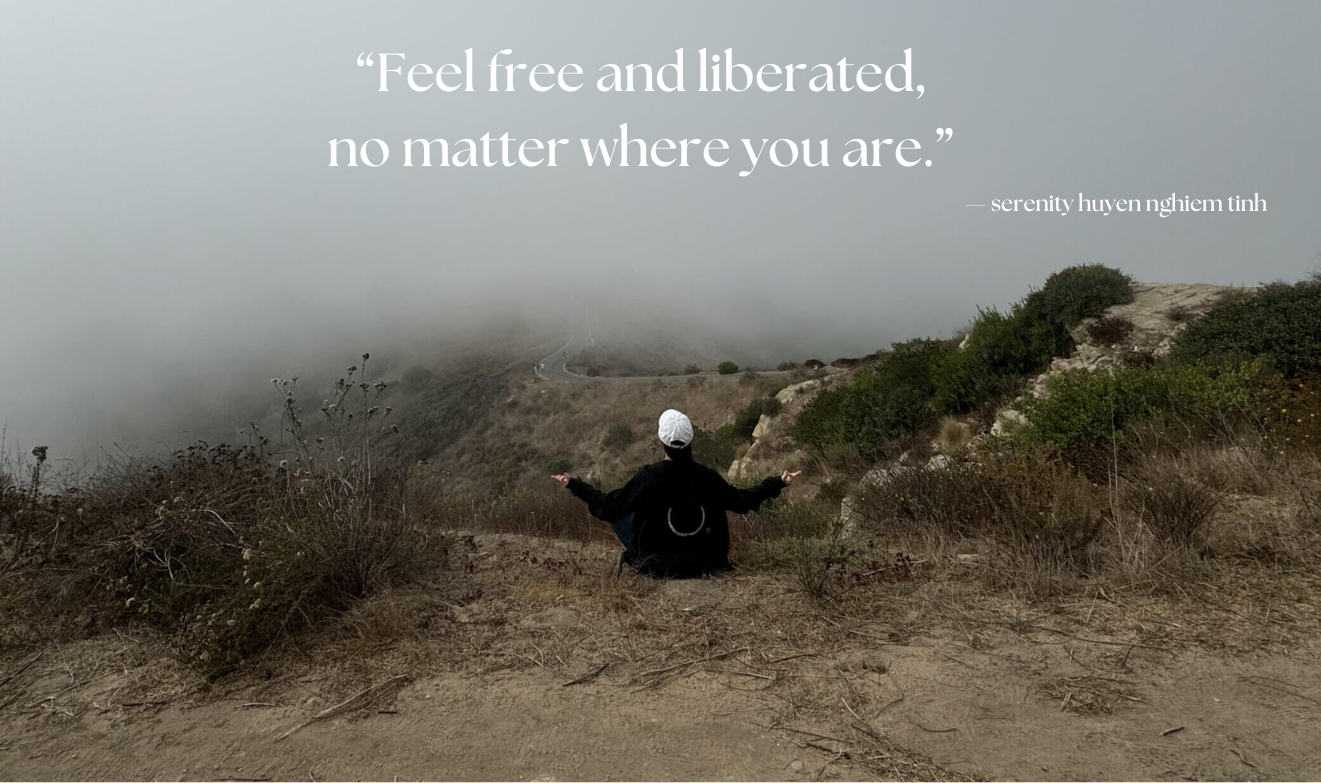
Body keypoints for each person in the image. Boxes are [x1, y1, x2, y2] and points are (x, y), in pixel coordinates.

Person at [552, 409, 801, 578]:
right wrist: (777, 483)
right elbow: (742, 501)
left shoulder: (649, 477)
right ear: (691, 439)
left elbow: (609, 508)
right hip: (705, 563)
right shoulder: (707, 476)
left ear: (662, 440)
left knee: (620, 513)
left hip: (657, 566)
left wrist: (574, 485)